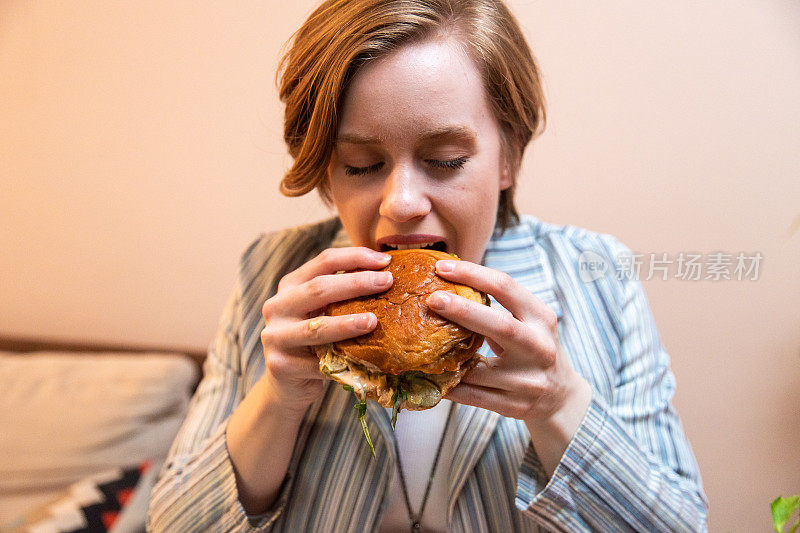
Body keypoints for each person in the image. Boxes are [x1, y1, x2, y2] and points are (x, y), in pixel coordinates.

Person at [147, 0, 708, 531]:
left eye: (445, 160)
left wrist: (558, 404)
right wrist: (276, 399)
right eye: (362, 165)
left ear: (508, 155)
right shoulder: (271, 274)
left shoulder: (598, 273)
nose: (402, 202)